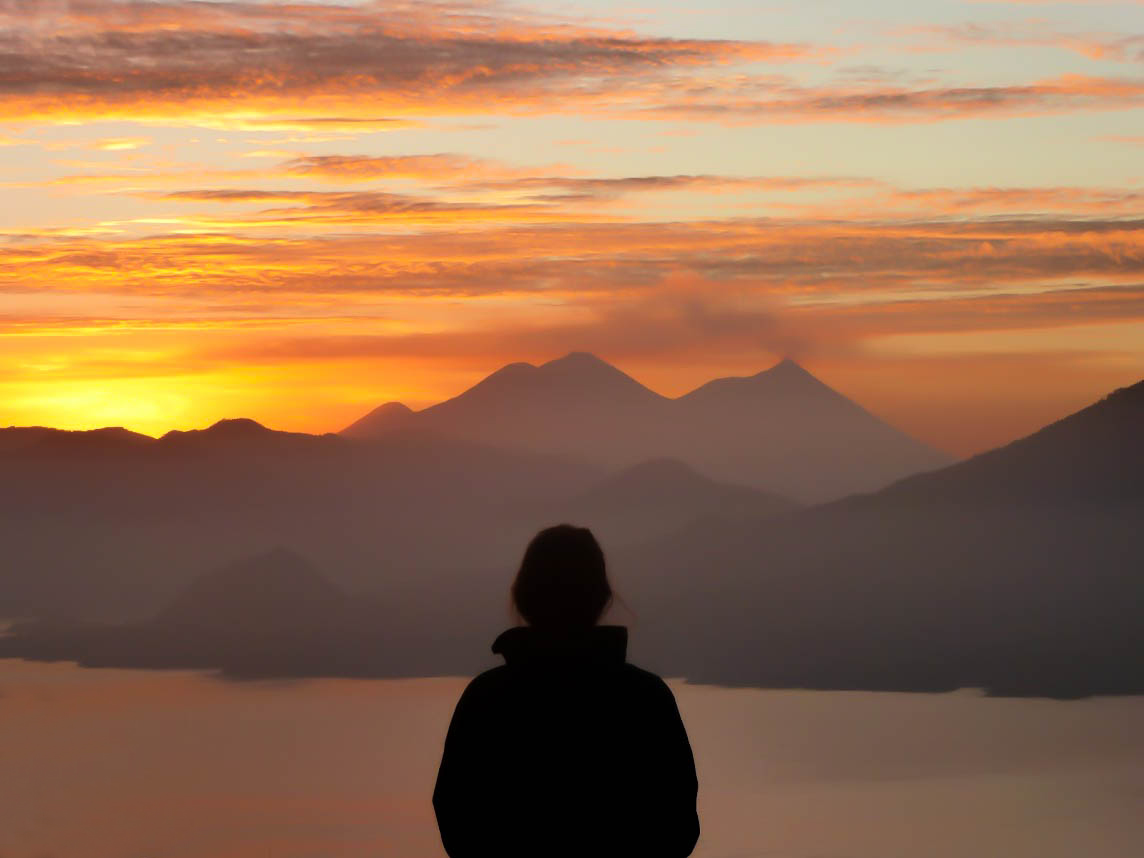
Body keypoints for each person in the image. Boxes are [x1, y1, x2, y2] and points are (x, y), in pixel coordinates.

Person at [432, 524, 700, 857]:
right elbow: (678, 826)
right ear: (602, 598)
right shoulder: (646, 698)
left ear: (523, 596)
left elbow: (457, 817)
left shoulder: (486, 699)